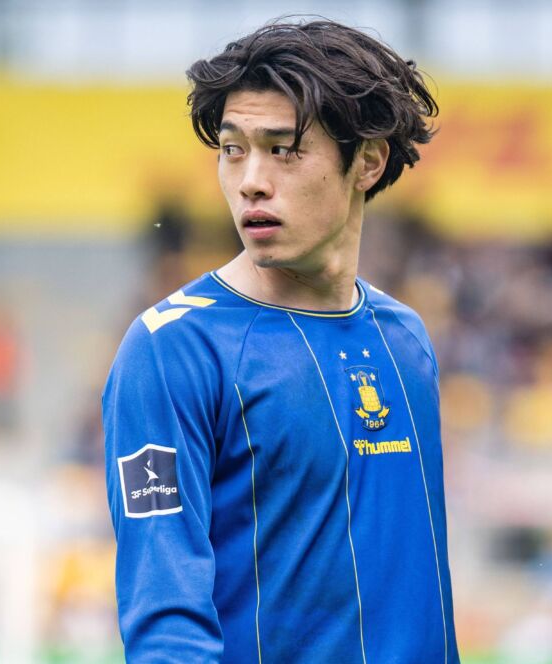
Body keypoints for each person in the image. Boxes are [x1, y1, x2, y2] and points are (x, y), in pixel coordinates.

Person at [103, 18, 460, 663]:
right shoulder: (173, 350)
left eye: (283, 149)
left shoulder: (406, 340)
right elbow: (166, 621)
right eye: (233, 149)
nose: (250, 180)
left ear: (368, 161)